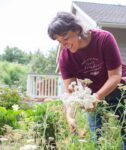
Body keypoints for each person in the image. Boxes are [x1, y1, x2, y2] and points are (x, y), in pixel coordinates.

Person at [48, 11, 126, 149]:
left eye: (65, 38)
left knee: (124, 132)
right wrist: (70, 116)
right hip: (92, 96)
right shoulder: (65, 58)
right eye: (59, 41)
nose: (63, 44)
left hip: (119, 90)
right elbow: (71, 93)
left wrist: (97, 97)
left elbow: (115, 76)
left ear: (77, 30)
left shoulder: (104, 39)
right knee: (97, 137)